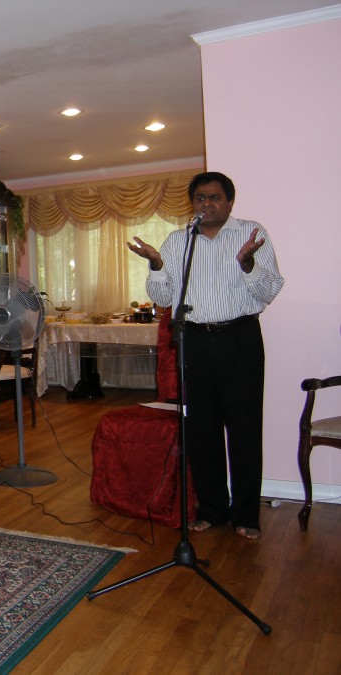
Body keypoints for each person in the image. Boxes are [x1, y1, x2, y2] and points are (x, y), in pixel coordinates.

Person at [127, 171, 284, 540]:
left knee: (244, 429)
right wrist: (156, 264)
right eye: (200, 198)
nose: (207, 203)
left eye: (215, 197)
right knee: (201, 429)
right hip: (194, 340)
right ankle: (212, 510)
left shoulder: (251, 234)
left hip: (240, 339)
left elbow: (270, 291)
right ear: (192, 203)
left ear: (229, 202)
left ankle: (246, 514)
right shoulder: (178, 241)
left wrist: (248, 264)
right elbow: (163, 298)